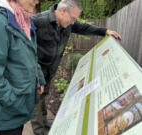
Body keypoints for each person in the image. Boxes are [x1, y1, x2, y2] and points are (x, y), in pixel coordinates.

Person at [31, 0, 122, 135]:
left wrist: (105, 31)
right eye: (73, 18)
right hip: (36, 70)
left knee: (43, 95)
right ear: (62, 11)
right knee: (35, 101)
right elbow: (26, 47)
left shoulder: (67, 23)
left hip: (51, 70)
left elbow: (85, 28)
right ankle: (38, 131)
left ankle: (43, 121)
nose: (74, 22)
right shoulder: (38, 21)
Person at [0, 0, 46, 135]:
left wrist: (38, 78)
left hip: (19, 106)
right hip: (7, 112)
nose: (37, 1)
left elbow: (30, 55)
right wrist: (13, 101)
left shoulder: (22, 19)